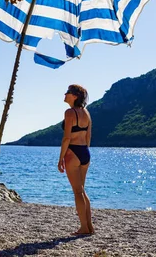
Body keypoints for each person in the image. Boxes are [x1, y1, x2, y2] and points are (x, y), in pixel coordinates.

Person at [58, 84, 94, 235]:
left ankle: (84, 228)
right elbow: (88, 137)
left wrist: (61, 159)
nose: (65, 94)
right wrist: (83, 152)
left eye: (68, 92)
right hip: (85, 152)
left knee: (78, 192)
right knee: (82, 191)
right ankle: (89, 227)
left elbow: (66, 138)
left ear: (75, 96)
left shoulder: (69, 112)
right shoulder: (86, 113)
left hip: (72, 152)